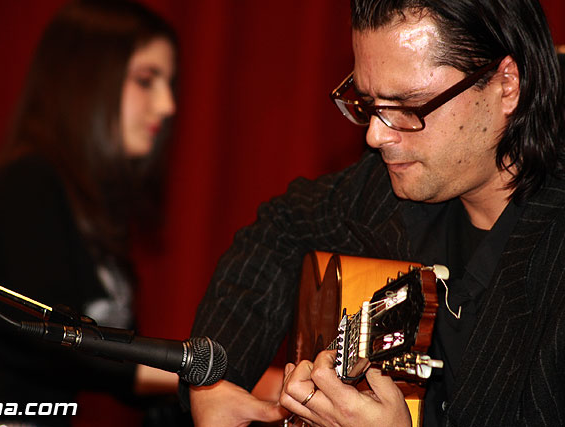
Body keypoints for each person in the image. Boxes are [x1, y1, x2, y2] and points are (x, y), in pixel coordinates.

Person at [183, 0, 565, 426]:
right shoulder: (387, 191)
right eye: (369, 102)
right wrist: (215, 379)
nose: (375, 134)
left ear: (505, 84)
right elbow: (281, 227)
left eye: (407, 106)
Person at [0, 1, 185, 426]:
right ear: (84, 79)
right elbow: (72, 349)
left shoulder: (97, 207)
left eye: (169, 83)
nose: (168, 104)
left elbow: (116, 362)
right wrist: (205, 377)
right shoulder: (25, 185)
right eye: (145, 80)